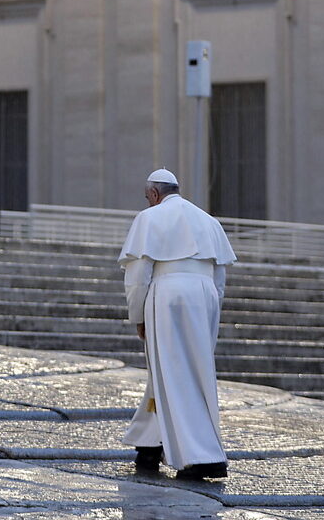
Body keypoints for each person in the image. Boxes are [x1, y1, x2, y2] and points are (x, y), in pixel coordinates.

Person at [118, 168, 237, 480]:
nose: (148, 204)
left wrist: (138, 316)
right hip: (206, 294)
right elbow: (220, 277)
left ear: (155, 195)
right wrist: (213, 314)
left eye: (148, 199)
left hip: (168, 294)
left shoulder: (150, 218)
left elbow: (138, 276)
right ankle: (149, 444)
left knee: (172, 371)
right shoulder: (209, 221)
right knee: (186, 371)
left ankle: (201, 456)